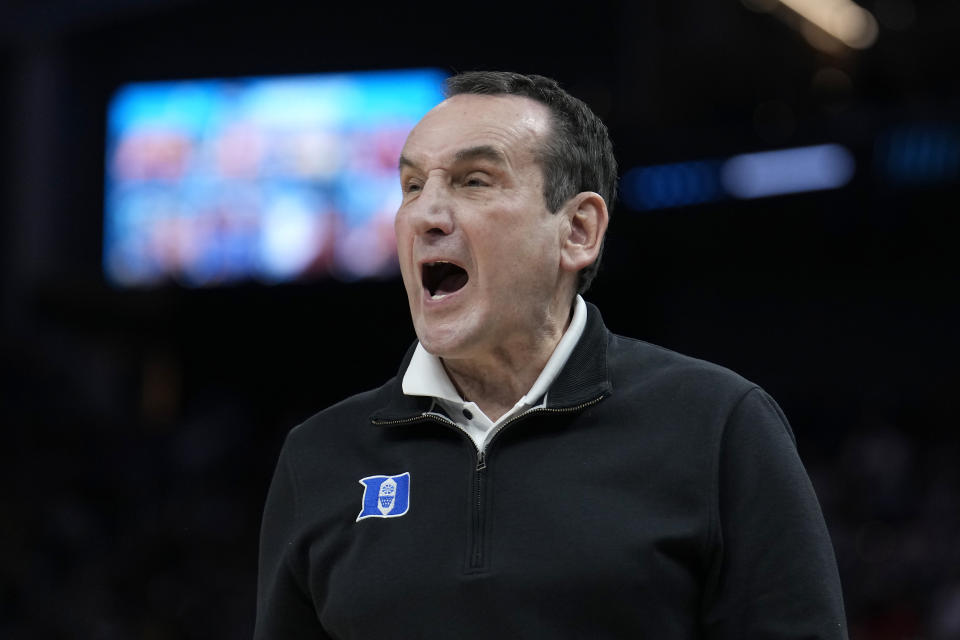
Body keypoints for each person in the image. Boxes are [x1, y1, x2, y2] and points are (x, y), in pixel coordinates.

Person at [255, 71, 847, 639]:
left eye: (474, 181)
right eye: (412, 186)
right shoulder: (318, 457)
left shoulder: (719, 424)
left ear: (579, 231)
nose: (426, 217)